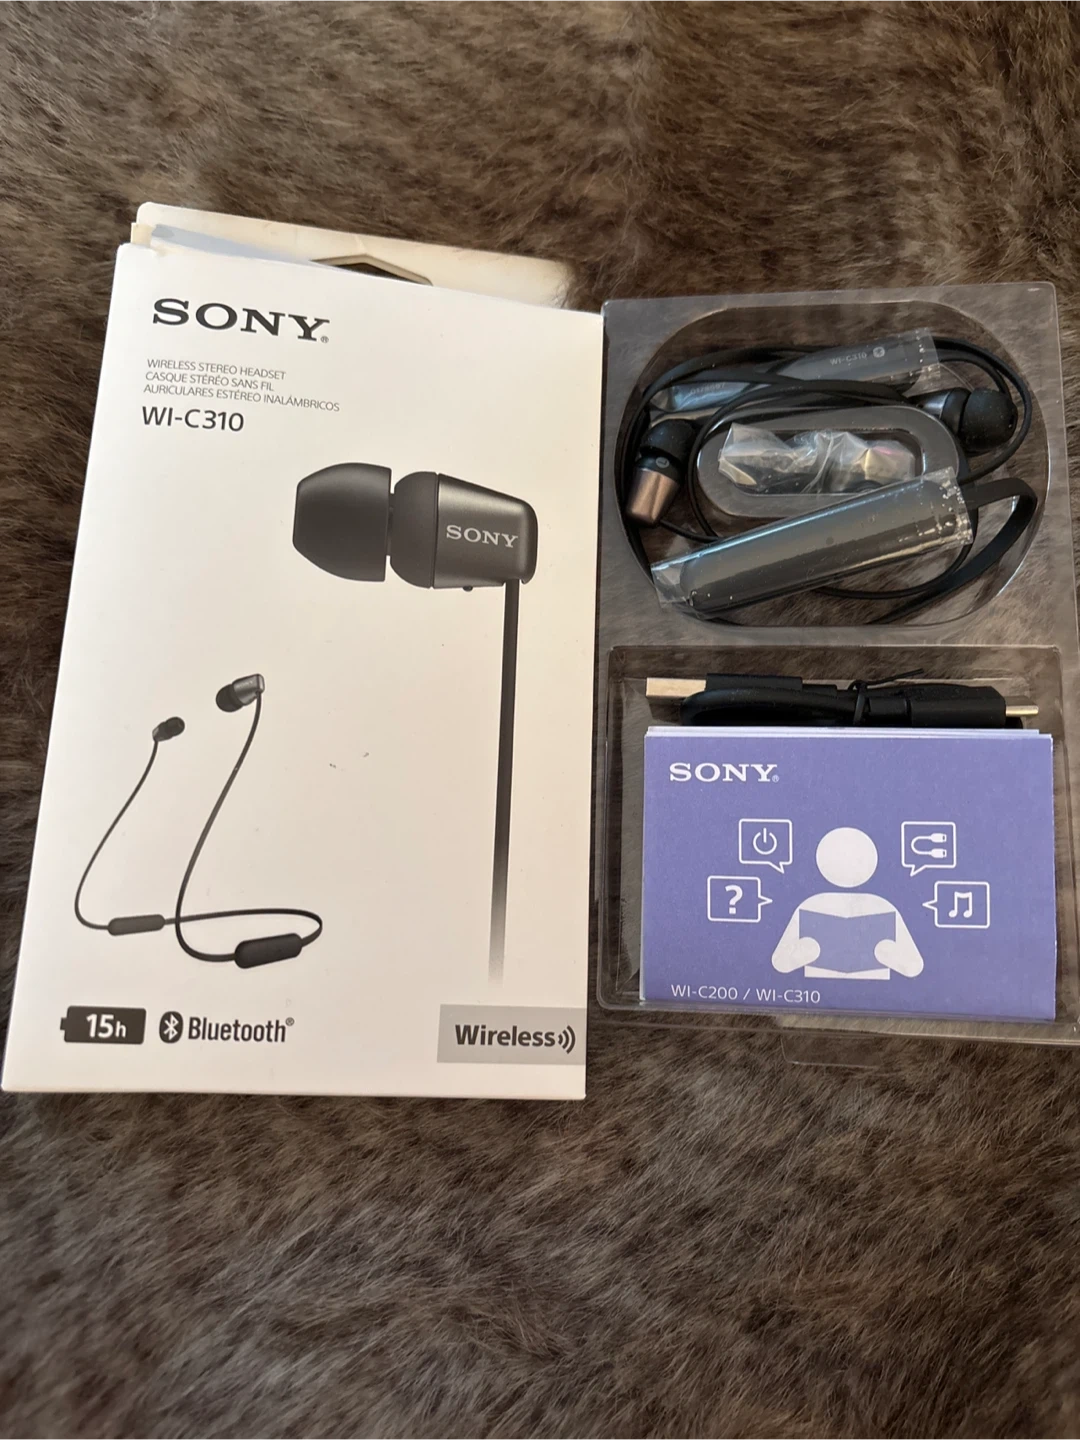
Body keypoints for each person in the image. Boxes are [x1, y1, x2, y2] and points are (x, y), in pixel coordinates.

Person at [771, 827, 924, 980]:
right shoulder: (811, 905)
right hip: (820, 986)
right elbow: (780, 963)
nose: (847, 863)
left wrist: (885, 952)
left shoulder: (883, 907)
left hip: (874, 987)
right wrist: (808, 950)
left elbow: (914, 967)